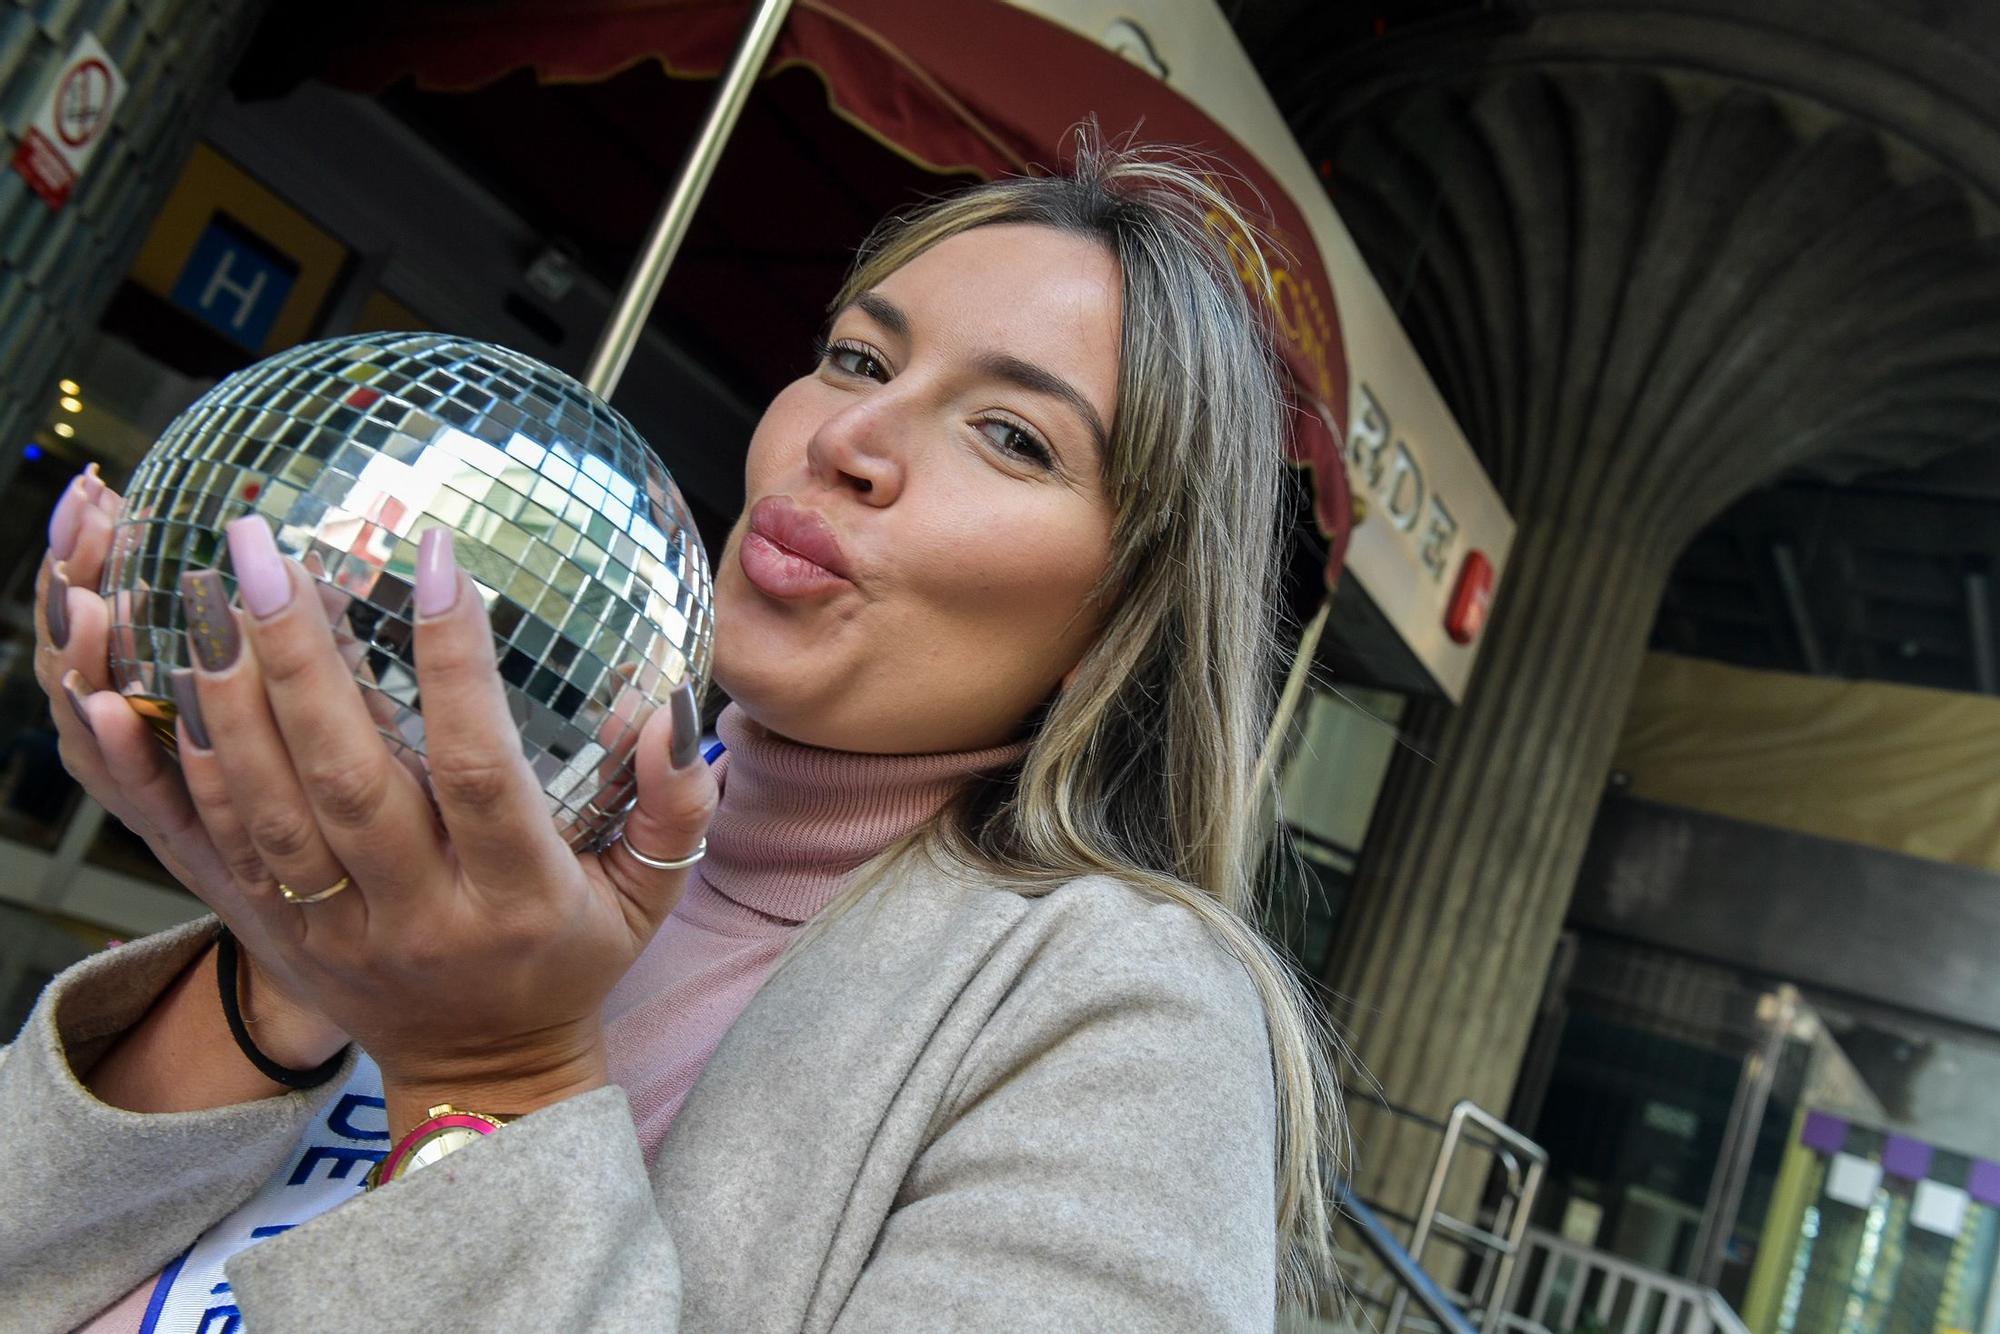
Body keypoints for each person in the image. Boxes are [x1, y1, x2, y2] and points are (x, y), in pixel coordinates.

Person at [1, 144, 1338, 1331]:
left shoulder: (1126, 1009)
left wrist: (488, 1068)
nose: (851, 437)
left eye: (1011, 435)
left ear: (1129, 615)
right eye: (858, 358)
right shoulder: (519, 779)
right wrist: (284, 963)